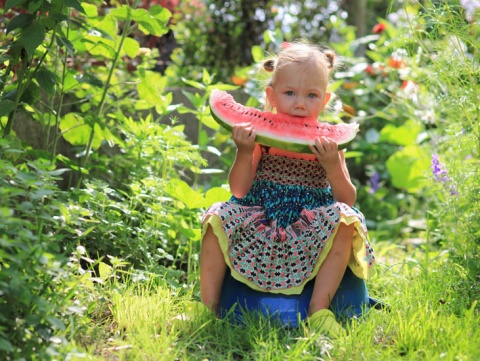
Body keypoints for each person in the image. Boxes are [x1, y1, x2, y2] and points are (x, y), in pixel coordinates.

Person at [199, 41, 375, 337]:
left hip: (312, 227)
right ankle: (207, 307)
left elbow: (347, 199)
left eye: (311, 95)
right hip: (262, 219)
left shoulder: (329, 143)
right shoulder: (262, 138)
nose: (300, 103)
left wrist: (332, 165)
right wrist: (244, 151)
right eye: (289, 92)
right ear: (271, 95)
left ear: (326, 99)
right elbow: (239, 191)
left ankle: (319, 309)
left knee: (346, 219)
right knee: (216, 215)